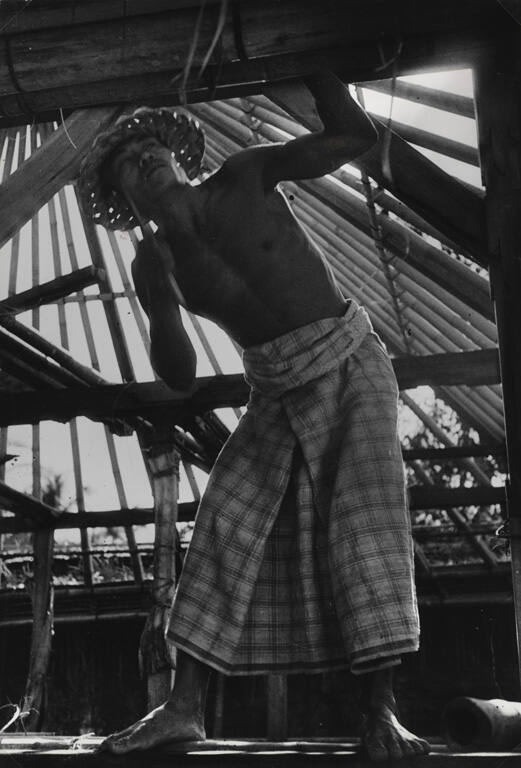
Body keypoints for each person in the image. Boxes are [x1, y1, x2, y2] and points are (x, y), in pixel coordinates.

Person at [78, 71, 430, 762]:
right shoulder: (154, 262)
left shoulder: (244, 176)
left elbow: (353, 138)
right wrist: (161, 298)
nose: (143, 156)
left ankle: (382, 715)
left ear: (180, 156)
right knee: (223, 521)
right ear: (125, 196)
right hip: (274, 385)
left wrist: (322, 74)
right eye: (126, 162)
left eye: (151, 147)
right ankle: (182, 710)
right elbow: (176, 377)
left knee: (363, 523)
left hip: (348, 358)